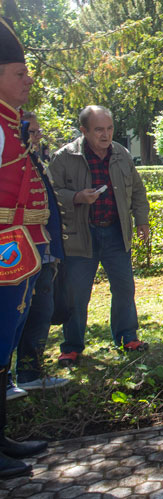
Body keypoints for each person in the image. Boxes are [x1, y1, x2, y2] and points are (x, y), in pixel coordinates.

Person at [49, 105, 151, 366]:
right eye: (98, 130)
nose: (106, 135)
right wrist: (77, 197)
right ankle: (72, 347)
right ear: (83, 130)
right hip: (81, 236)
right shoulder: (64, 157)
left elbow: (137, 190)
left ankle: (127, 337)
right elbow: (50, 193)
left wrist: (141, 220)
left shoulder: (121, 154)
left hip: (116, 232)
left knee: (124, 288)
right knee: (76, 294)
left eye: (109, 128)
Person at [0, 17, 50, 478]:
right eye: (19, 73)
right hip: (4, 248)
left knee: (6, 340)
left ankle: (1, 438)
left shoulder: (14, 124)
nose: (28, 79)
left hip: (17, 250)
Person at [10, 112, 67, 393]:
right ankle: (8, 378)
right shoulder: (13, 164)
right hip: (20, 251)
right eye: (30, 132)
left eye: (37, 132)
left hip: (43, 250)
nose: (36, 137)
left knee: (41, 313)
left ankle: (29, 373)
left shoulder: (34, 161)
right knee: (15, 316)